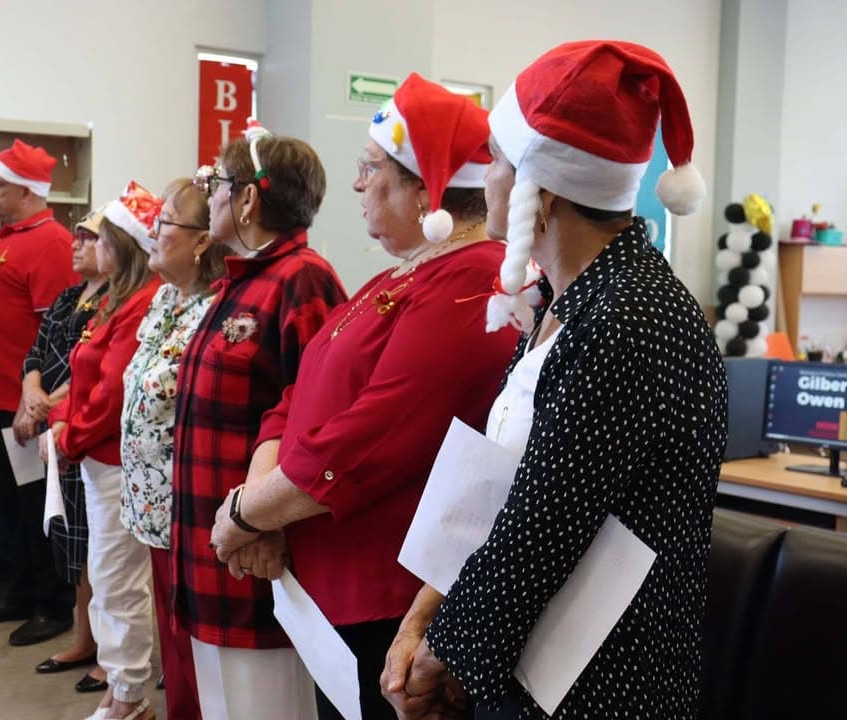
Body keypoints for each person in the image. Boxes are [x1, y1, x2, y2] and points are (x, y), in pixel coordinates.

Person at [382, 41, 728, 720]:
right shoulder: (567, 301)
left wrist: (439, 661)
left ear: (540, 192)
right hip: (539, 661)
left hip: (600, 686)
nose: (487, 181)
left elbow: (540, 531)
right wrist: (426, 612)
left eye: (500, 166)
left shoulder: (626, 320)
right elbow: (506, 485)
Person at [207, 73, 521, 720]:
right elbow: (294, 396)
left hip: (386, 601)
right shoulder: (402, 273)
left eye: (370, 167)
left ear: (423, 187)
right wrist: (259, 509)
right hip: (328, 586)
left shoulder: (471, 288)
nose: (355, 184)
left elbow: (368, 442)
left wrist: (244, 516)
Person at [170, 122, 347, 719]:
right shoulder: (241, 281)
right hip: (211, 549)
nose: (210, 195)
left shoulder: (301, 279)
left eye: (219, 183)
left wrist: (269, 526)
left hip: (253, 558)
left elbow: (314, 420)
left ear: (248, 198)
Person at [46, 182, 164, 720]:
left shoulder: (139, 305)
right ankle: (124, 686)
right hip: (101, 460)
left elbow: (112, 394)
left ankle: (129, 694)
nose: (93, 247)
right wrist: (63, 421)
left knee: (117, 580)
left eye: (104, 239)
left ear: (125, 247)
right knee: (109, 576)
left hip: (116, 464)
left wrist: (67, 435)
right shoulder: (116, 301)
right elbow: (87, 379)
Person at [0, 139, 79, 649]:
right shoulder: (3, 238)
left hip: (22, 408)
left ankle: (51, 602)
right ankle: (15, 589)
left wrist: (39, 403)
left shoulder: (49, 242)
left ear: (28, 192)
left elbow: (57, 334)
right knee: (6, 506)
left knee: (34, 507)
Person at [120, 177, 231, 720]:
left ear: (202, 241)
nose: (154, 232)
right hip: (150, 501)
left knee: (193, 646)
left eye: (166, 223)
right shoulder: (166, 296)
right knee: (171, 636)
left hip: (188, 503)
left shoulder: (217, 309)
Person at [16, 207, 110, 692]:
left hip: (80, 430)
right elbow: (35, 352)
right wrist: (31, 394)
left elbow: (91, 371)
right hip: (51, 427)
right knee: (70, 539)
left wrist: (45, 408)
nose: (75, 244)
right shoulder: (68, 297)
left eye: (88, 238)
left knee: (96, 543)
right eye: (74, 237)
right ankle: (84, 638)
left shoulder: (115, 303)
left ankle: (109, 652)